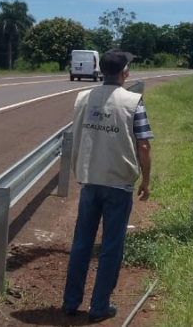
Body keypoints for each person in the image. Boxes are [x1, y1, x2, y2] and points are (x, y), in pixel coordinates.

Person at [62, 49, 153, 322]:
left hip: (89, 179)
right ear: (125, 73)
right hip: (118, 183)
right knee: (111, 246)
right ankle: (99, 305)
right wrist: (146, 180)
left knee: (81, 242)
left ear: (102, 71)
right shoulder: (133, 102)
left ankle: (70, 301)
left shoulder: (82, 98)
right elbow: (144, 145)